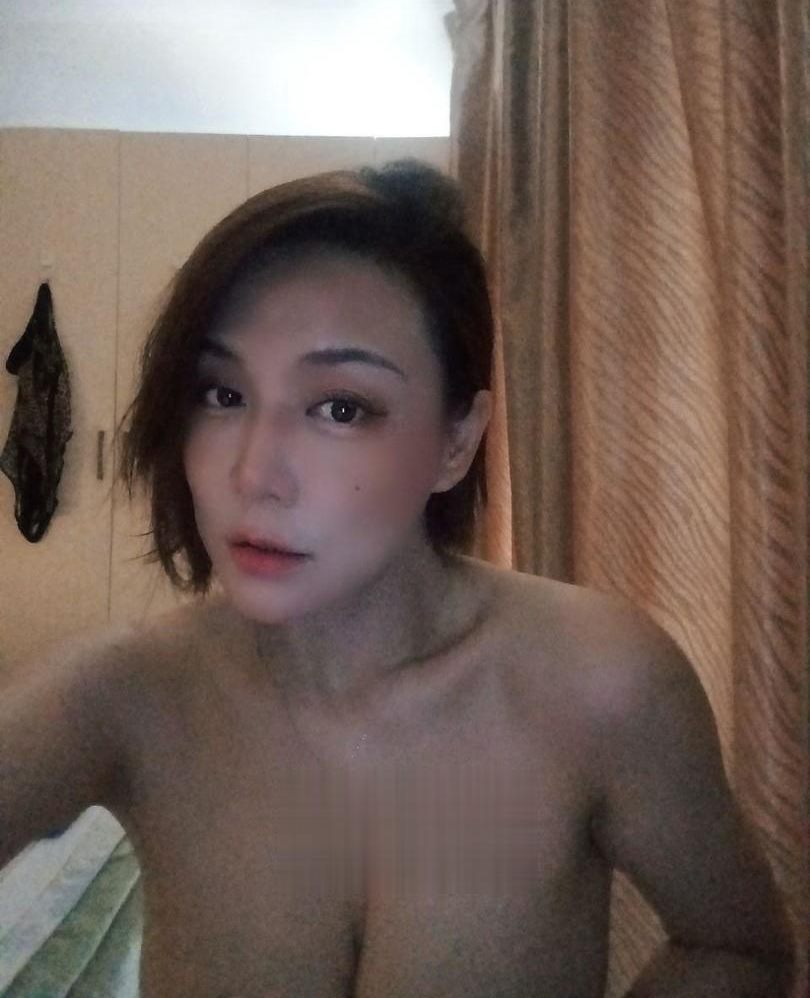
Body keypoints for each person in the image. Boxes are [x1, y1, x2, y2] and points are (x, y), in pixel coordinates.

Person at [0, 159, 795, 997]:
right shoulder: (125, 693)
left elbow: (737, 948)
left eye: (341, 408)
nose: (254, 474)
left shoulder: (601, 681)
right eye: (222, 394)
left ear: (457, 442)